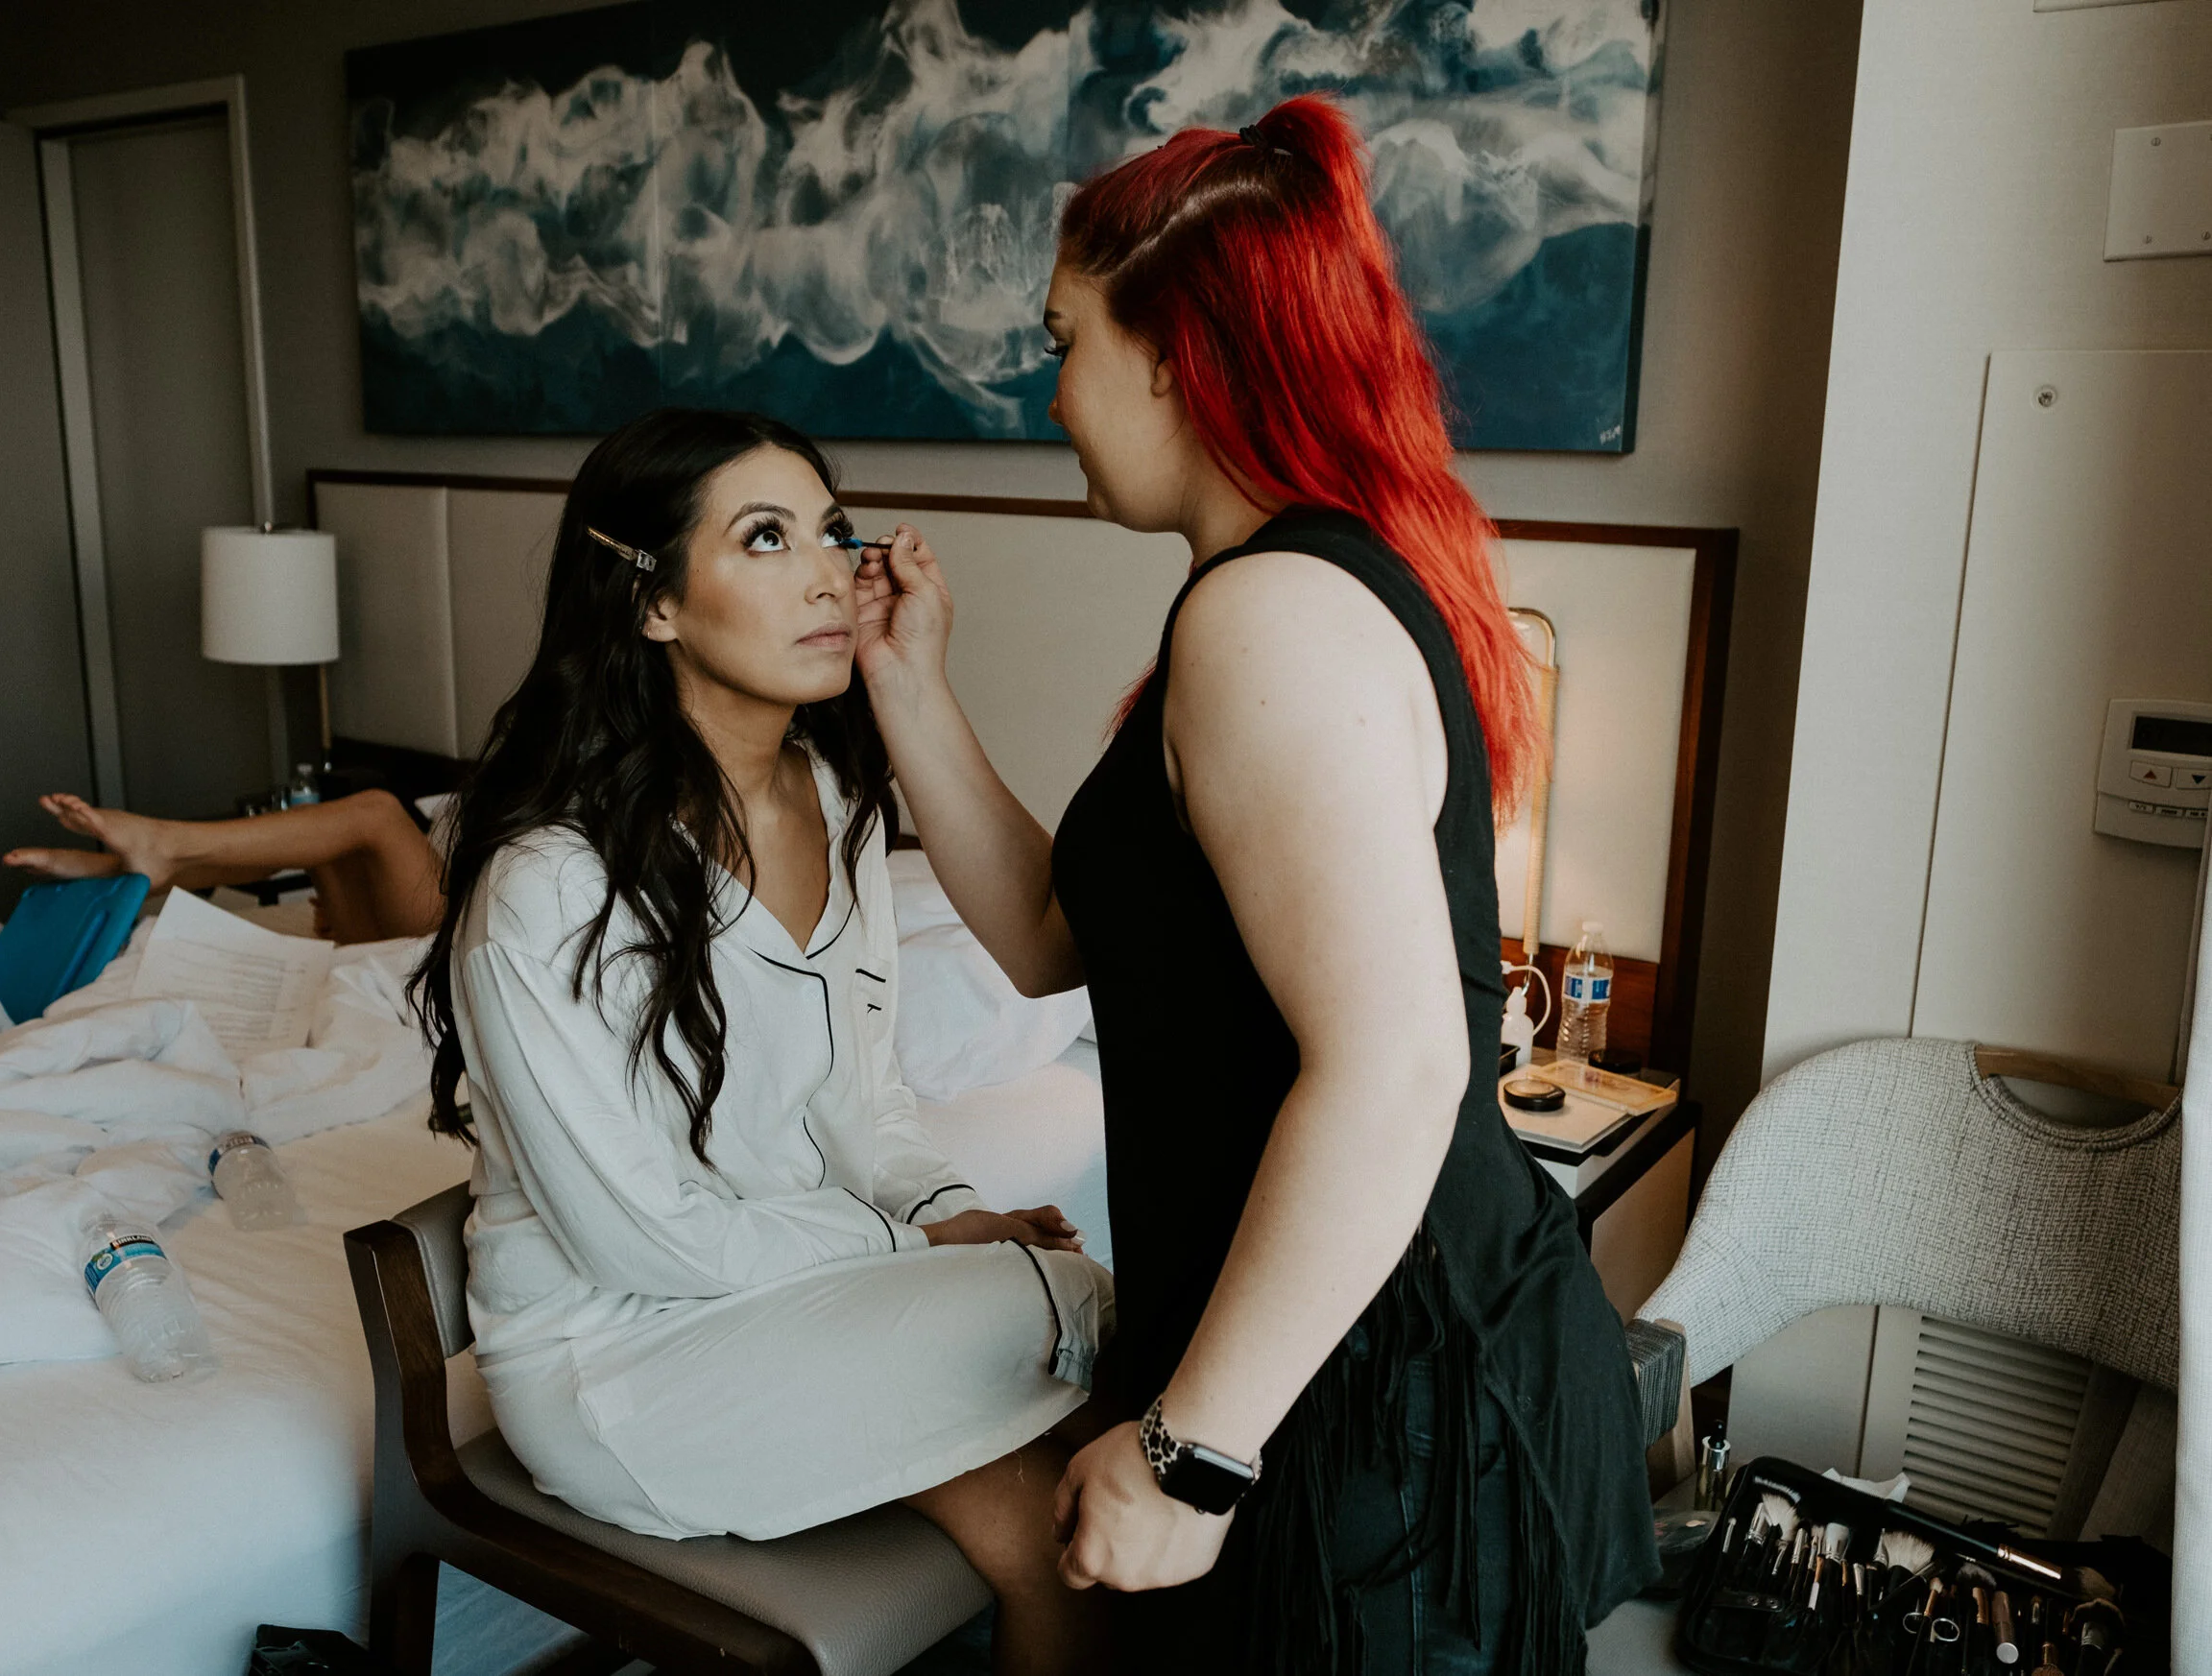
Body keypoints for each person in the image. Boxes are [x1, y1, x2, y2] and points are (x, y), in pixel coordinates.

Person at [853, 97, 1657, 1674]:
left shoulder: (1270, 614)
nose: (1053, 394)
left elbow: (1401, 1067)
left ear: (1175, 352)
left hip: (1366, 1381)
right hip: (1343, 1347)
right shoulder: (1288, 586)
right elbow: (1045, 941)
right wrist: (910, 690)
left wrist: (1190, 1452)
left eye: (1064, 342)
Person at [402, 409, 1117, 1676]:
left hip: (791, 1292)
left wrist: (946, 1207)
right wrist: (920, 1244)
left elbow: (865, 1104)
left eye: (833, 530)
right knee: (1104, 1318)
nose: (829, 571)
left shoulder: (834, 802)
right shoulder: (547, 886)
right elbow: (641, 1234)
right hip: (619, 1356)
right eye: (768, 537)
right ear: (655, 602)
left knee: (1061, 1499)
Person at [4, 787, 445, 946]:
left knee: (378, 812)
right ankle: (116, 870)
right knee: (314, 839)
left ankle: (156, 850)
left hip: (455, 939)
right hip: (397, 941)